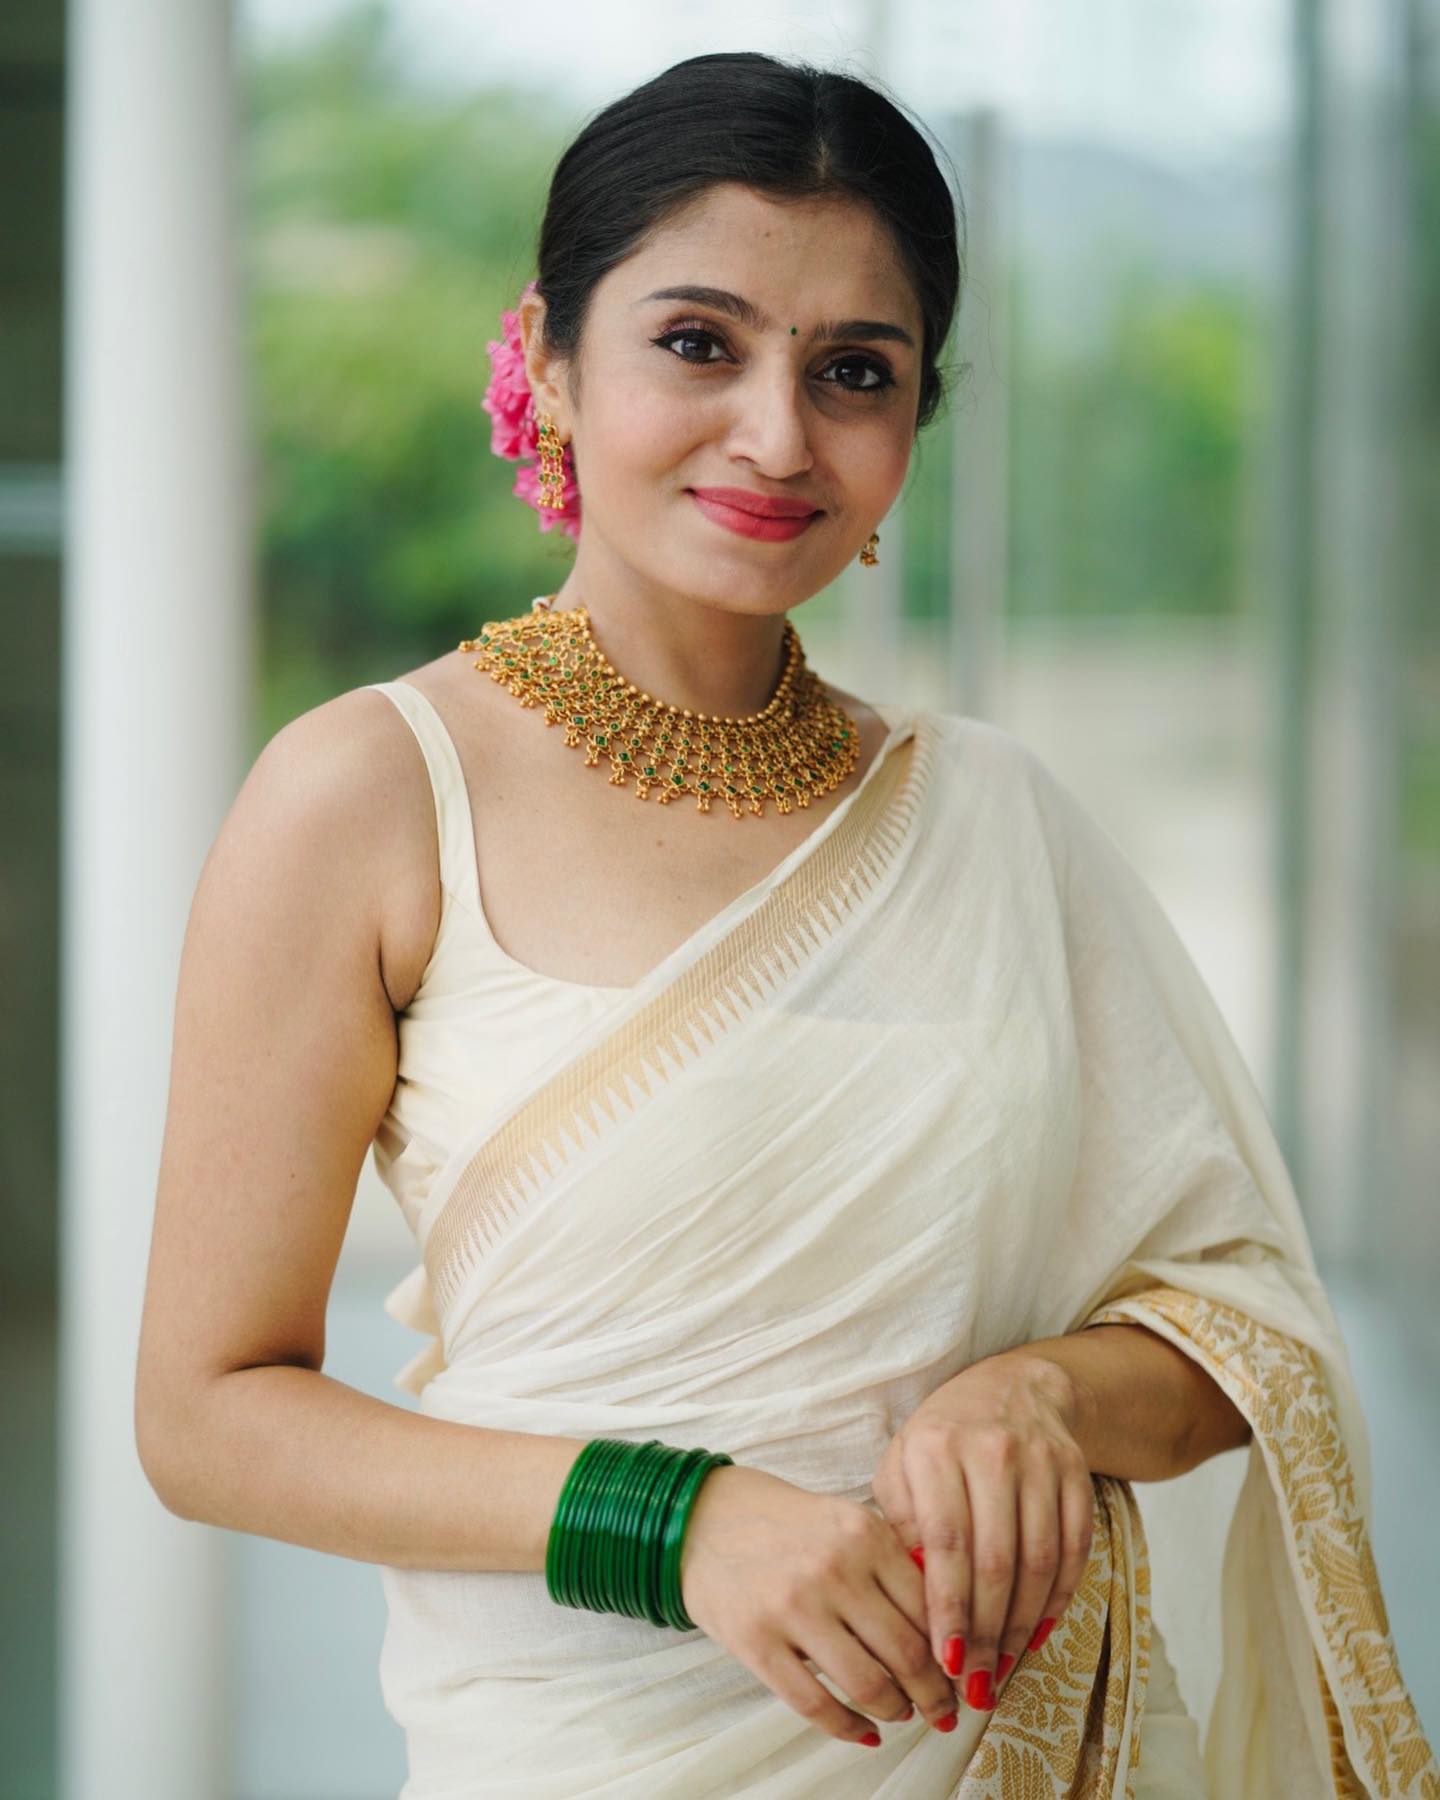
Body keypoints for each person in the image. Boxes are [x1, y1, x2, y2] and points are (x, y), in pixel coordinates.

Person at [135, 49, 1436, 1800]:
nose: (776, 433)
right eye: (698, 342)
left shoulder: (988, 821)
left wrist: (1037, 1399)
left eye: (854, 373)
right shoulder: (371, 793)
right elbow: (209, 1414)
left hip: (964, 1744)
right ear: (545, 361)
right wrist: (675, 1524)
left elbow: (1241, 1324)